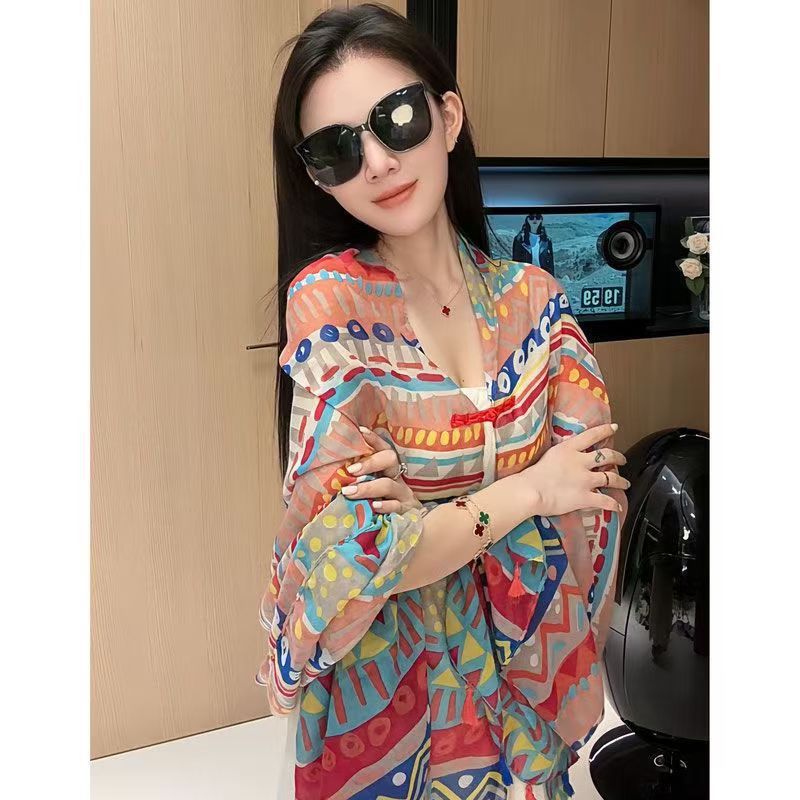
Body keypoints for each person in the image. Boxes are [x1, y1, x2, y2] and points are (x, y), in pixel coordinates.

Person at [255, 5, 630, 799]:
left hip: (520, 689)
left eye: (398, 118)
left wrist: (426, 528)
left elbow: (594, 499)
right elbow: (354, 560)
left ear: (448, 117)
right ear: (317, 176)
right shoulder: (329, 303)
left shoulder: (537, 302)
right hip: (384, 703)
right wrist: (529, 491)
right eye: (337, 148)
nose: (378, 162)